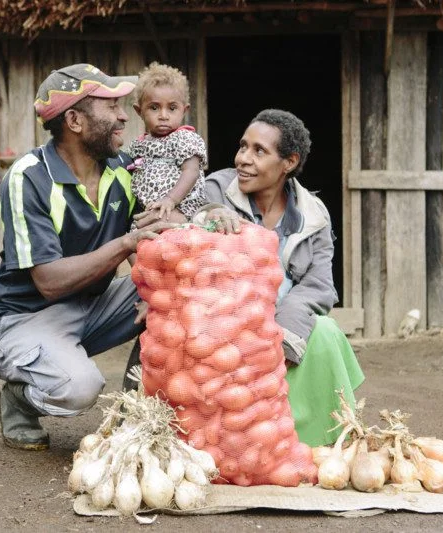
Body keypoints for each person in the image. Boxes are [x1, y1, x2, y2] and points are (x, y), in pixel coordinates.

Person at [129, 109, 364, 447]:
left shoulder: (314, 215)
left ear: (288, 162)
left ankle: (317, 442)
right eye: (242, 147)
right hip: (222, 327)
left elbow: (319, 285)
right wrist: (209, 215)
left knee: (326, 330)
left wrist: (278, 335)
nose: (243, 159)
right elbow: (184, 238)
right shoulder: (214, 191)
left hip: (285, 328)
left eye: (259, 151)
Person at [0, 63, 173, 451]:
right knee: (79, 388)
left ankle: (134, 417)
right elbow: (48, 282)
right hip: (21, 317)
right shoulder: (29, 177)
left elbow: (150, 230)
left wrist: (155, 292)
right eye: (109, 105)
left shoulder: (122, 169)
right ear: (75, 120)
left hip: (92, 305)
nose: (121, 115)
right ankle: (18, 398)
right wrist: (125, 244)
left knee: (176, 298)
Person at [128, 62, 207, 220]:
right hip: (149, 210)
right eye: (154, 108)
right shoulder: (138, 146)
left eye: (172, 108)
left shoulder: (184, 138)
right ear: (139, 111)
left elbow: (191, 172)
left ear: (184, 110)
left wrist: (170, 200)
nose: (163, 115)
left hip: (181, 208)